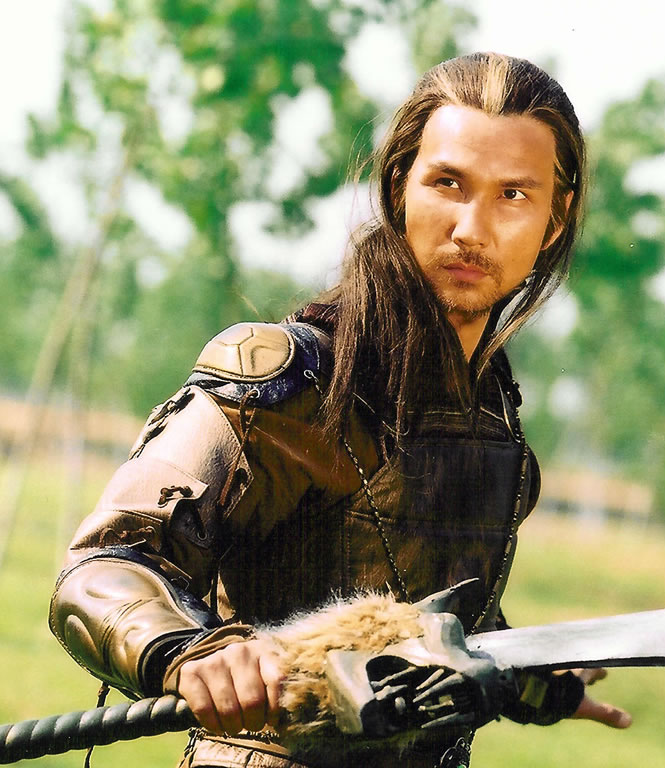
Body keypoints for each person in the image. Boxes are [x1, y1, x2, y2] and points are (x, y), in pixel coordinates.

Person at [49, 52, 630, 768]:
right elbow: (103, 565)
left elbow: (425, 621)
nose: (471, 228)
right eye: (448, 183)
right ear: (400, 185)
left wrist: (527, 676)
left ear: (555, 218)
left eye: (513, 194)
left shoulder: (492, 416)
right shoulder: (285, 382)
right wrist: (187, 651)